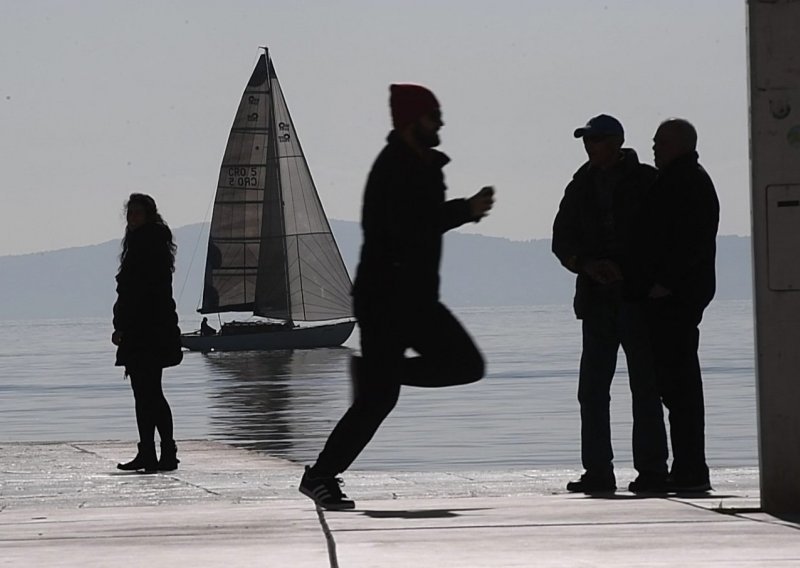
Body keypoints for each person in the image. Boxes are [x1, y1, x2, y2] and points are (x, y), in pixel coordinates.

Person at [298, 83, 495, 510]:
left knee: (466, 365)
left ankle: (376, 372)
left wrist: (462, 210)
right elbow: (409, 226)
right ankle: (320, 476)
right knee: (378, 400)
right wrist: (465, 209)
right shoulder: (393, 167)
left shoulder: (426, 166)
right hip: (385, 300)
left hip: (418, 298)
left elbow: (421, 224)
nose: (440, 122)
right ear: (411, 121)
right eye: (433, 115)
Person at [552, 114, 668, 494]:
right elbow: (561, 240)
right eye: (587, 139)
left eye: (597, 139)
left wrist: (637, 275)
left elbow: (664, 237)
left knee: (646, 388)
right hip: (597, 303)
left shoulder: (647, 181)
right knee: (592, 390)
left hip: (637, 302)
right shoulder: (580, 185)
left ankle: (652, 472)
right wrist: (587, 266)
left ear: (617, 141)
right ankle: (598, 473)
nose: (590, 145)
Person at [640, 118, 719, 493]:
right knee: (677, 386)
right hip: (678, 294)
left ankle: (690, 469)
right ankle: (687, 466)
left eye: (662, 143)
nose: (655, 148)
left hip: (676, 297)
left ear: (682, 145)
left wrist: (664, 284)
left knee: (679, 386)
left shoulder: (685, 183)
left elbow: (690, 241)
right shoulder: (683, 180)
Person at [112, 193, 183, 473]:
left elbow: (136, 293)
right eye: (130, 213)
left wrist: (123, 326)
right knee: (149, 393)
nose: (132, 218)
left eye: (138, 213)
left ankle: (157, 452)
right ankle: (157, 452)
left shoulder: (145, 245)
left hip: (146, 331)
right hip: (153, 328)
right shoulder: (151, 243)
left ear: (149, 215)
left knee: (147, 393)